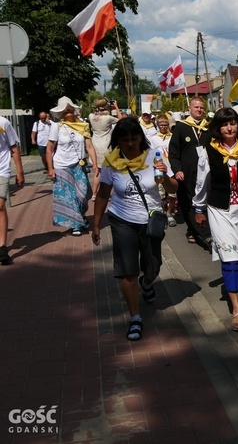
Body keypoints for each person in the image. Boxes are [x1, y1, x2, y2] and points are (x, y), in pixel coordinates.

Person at [92, 117, 177, 341]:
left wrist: (164, 173)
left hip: (150, 220)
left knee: (153, 267)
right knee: (127, 270)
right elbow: (102, 194)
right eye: (125, 139)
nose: (131, 143)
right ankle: (135, 318)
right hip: (122, 220)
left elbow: (172, 188)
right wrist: (96, 224)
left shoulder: (154, 156)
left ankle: (146, 283)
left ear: (141, 137)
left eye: (134, 138)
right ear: (117, 141)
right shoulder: (111, 162)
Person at [192, 107, 238, 332]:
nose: (229, 128)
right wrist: (199, 208)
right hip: (220, 210)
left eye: (233, 123)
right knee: (230, 258)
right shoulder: (207, 151)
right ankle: (237, 308)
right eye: (224, 124)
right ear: (217, 128)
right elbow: (202, 183)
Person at [46, 96, 99, 236]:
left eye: (70, 108)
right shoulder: (57, 127)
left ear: (74, 110)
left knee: (83, 194)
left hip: (78, 164)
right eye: (64, 109)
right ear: (61, 112)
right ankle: (76, 224)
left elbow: (89, 146)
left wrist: (95, 164)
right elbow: (49, 148)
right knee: (69, 197)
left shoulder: (83, 125)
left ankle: (80, 217)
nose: (68, 111)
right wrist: (50, 168)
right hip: (61, 166)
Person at [168, 96, 212, 246]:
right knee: (188, 202)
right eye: (196, 107)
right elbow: (173, 152)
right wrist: (177, 170)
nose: (199, 110)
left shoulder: (208, 128)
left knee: (202, 201)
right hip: (186, 173)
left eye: (201, 107)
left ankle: (199, 230)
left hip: (205, 173)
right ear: (190, 109)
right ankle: (200, 233)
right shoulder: (181, 127)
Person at [0, 116, 24, 265]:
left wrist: (20, 171)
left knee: (0, 205)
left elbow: (13, 147)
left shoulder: (3, 122)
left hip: (1, 170)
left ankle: (2, 246)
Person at [89, 98, 120, 199]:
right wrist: (116, 107)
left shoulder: (91, 116)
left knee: (97, 171)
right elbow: (121, 119)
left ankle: (94, 194)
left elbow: (94, 113)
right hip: (106, 145)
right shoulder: (107, 118)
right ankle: (112, 193)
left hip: (95, 145)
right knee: (111, 171)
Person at [150, 114, 177, 227]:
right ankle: (163, 211)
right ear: (158, 125)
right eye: (161, 125)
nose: (164, 127)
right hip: (160, 168)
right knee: (161, 193)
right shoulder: (153, 138)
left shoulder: (173, 137)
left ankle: (169, 212)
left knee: (173, 193)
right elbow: (151, 154)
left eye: (166, 125)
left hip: (171, 168)